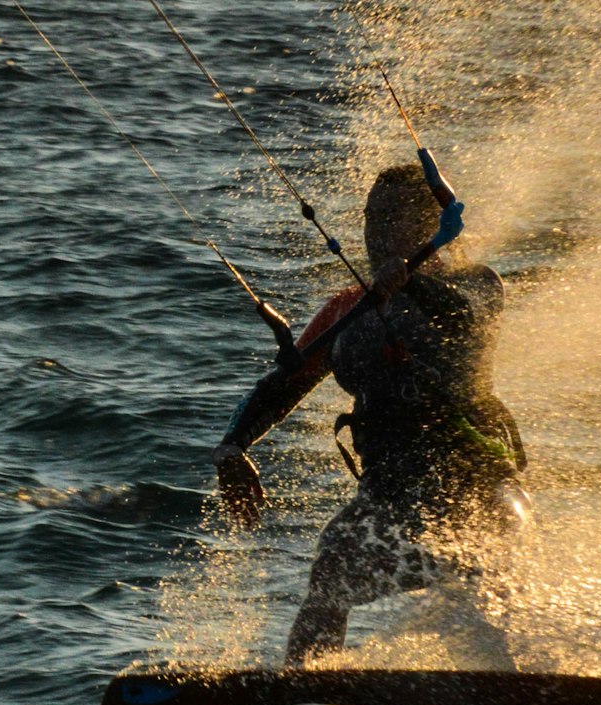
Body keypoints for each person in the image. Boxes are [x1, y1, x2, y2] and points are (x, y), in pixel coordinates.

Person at [211, 163, 529, 666]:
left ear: (431, 225)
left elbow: (465, 320)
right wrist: (233, 446)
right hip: (392, 494)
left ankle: (510, 682)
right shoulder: (345, 311)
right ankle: (303, 687)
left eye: (395, 217)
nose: (377, 231)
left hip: (476, 486)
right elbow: (282, 386)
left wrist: (411, 284)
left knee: (479, 584)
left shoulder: (476, 284)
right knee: (332, 568)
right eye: (372, 217)